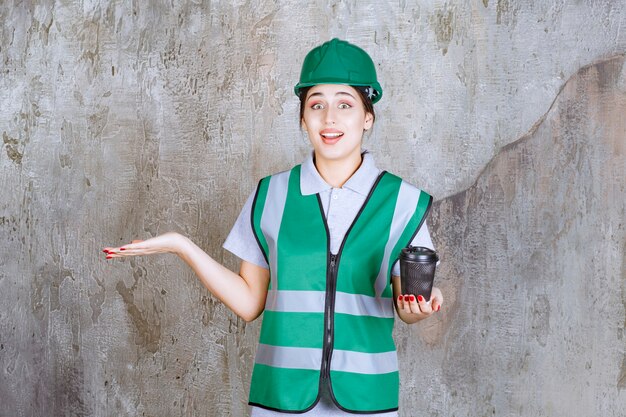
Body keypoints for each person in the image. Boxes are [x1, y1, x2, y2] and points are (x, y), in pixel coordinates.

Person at [103, 38, 443, 417]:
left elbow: (408, 306)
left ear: (368, 117)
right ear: (303, 118)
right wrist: (183, 246)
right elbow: (250, 302)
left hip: (367, 401)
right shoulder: (272, 194)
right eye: (316, 105)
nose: (329, 118)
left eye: (345, 104)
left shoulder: (404, 203)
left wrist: (420, 307)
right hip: (280, 399)